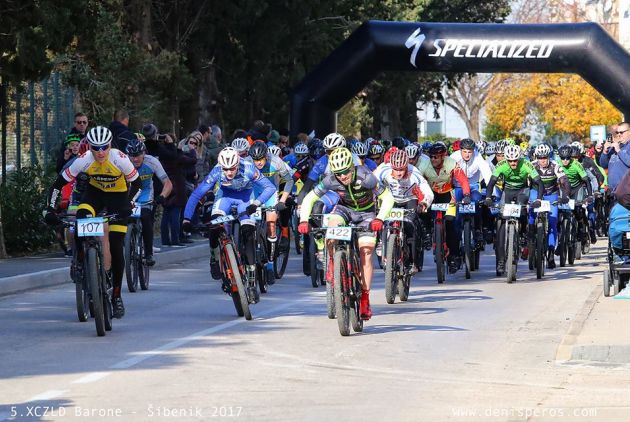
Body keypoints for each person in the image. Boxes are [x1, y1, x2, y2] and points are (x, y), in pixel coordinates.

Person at [44, 126, 141, 319]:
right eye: (96, 148)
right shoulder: (84, 160)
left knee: (115, 246)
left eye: (104, 147)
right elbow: (58, 185)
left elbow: (137, 184)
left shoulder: (119, 158)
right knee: (81, 217)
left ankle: (116, 296)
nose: (100, 152)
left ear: (110, 145)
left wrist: (129, 204)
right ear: (90, 147)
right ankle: (81, 259)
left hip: (118, 198)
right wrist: (50, 209)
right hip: (94, 196)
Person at [298, 147, 395, 320]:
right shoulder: (330, 180)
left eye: (345, 172)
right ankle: (332, 265)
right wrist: (304, 220)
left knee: (366, 252)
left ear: (351, 166)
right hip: (344, 210)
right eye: (338, 173)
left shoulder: (366, 177)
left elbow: (388, 198)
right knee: (331, 227)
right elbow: (309, 198)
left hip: (367, 214)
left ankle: (365, 297)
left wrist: (379, 219)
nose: (342, 177)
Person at [182, 148, 276, 298]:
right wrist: (186, 218)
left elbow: (270, 187)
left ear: (238, 163)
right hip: (224, 198)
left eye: (232, 168)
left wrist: (257, 203)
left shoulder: (249, 168)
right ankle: (214, 258)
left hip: (245, 199)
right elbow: (197, 193)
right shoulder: (217, 170)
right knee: (215, 226)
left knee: (249, 233)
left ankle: (252, 284)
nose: (229, 172)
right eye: (226, 169)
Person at [484, 144, 544, 275]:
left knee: (522, 210)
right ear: (506, 159)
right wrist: (488, 197)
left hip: (522, 190)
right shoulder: (501, 166)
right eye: (510, 161)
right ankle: (500, 261)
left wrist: (538, 199)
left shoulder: (527, 164)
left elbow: (539, 183)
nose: (513, 163)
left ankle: (522, 234)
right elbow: (491, 183)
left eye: (515, 160)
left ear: (519, 158)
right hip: (508, 191)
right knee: (501, 222)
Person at [373, 149, 434, 272]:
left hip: (409, 199)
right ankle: (381, 241)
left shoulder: (414, 173)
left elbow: (428, 192)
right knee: (381, 219)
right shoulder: (383, 170)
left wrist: (423, 203)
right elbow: (371, 184)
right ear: (391, 166)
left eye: (402, 170)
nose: (399, 173)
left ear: (407, 166)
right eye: (396, 169)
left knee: (410, 225)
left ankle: (412, 260)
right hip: (390, 200)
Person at [417, 142, 471, 274]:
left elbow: (463, 180)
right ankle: (428, 233)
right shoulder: (424, 165)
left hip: (448, 195)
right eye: (431, 157)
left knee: (452, 224)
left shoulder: (451, 163)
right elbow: (417, 185)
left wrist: (467, 195)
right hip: (432, 194)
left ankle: (453, 256)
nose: (433, 159)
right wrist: (420, 200)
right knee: (423, 212)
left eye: (436, 157)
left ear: (443, 157)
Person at [248, 141, 295, 277]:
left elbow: (289, 180)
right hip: (253, 193)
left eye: (261, 159)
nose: (258, 163)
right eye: (255, 160)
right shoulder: (247, 162)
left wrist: (282, 200)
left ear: (266, 156)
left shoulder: (276, 161)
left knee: (271, 224)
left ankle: (269, 263)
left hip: (270, 194)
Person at [126, 139, 173, 266]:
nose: (135, 159)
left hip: (145, 193)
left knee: (146, 217)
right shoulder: (123, 162)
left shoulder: (152, 161)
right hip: (129, 193)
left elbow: (168, 183)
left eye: (138, 155)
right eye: (132, 156)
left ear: (144, 153)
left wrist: (162, 196)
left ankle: (148, 253)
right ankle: (126, 246)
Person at [530, 143, 570, 269]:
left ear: (549, 156)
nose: (543, 160)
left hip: (551, 194)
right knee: (530, 213)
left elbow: (564, 181)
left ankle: (551, 253)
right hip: (535, 193)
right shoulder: (531, 166)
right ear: (537, 157)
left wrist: (565, 195)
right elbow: (525, 182)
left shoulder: (555, 166)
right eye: (540, 158)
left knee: (552, 223)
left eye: (545, 157)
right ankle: (530, 236)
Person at [599, 121, 630, 194]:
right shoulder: (615, 146)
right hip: (612, 191)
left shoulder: (621, 147)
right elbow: (603, 164)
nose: (619, 135)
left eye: (621, 132)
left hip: (625, 192)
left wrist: (619, 151)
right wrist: (605, 151)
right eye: (617, 132)